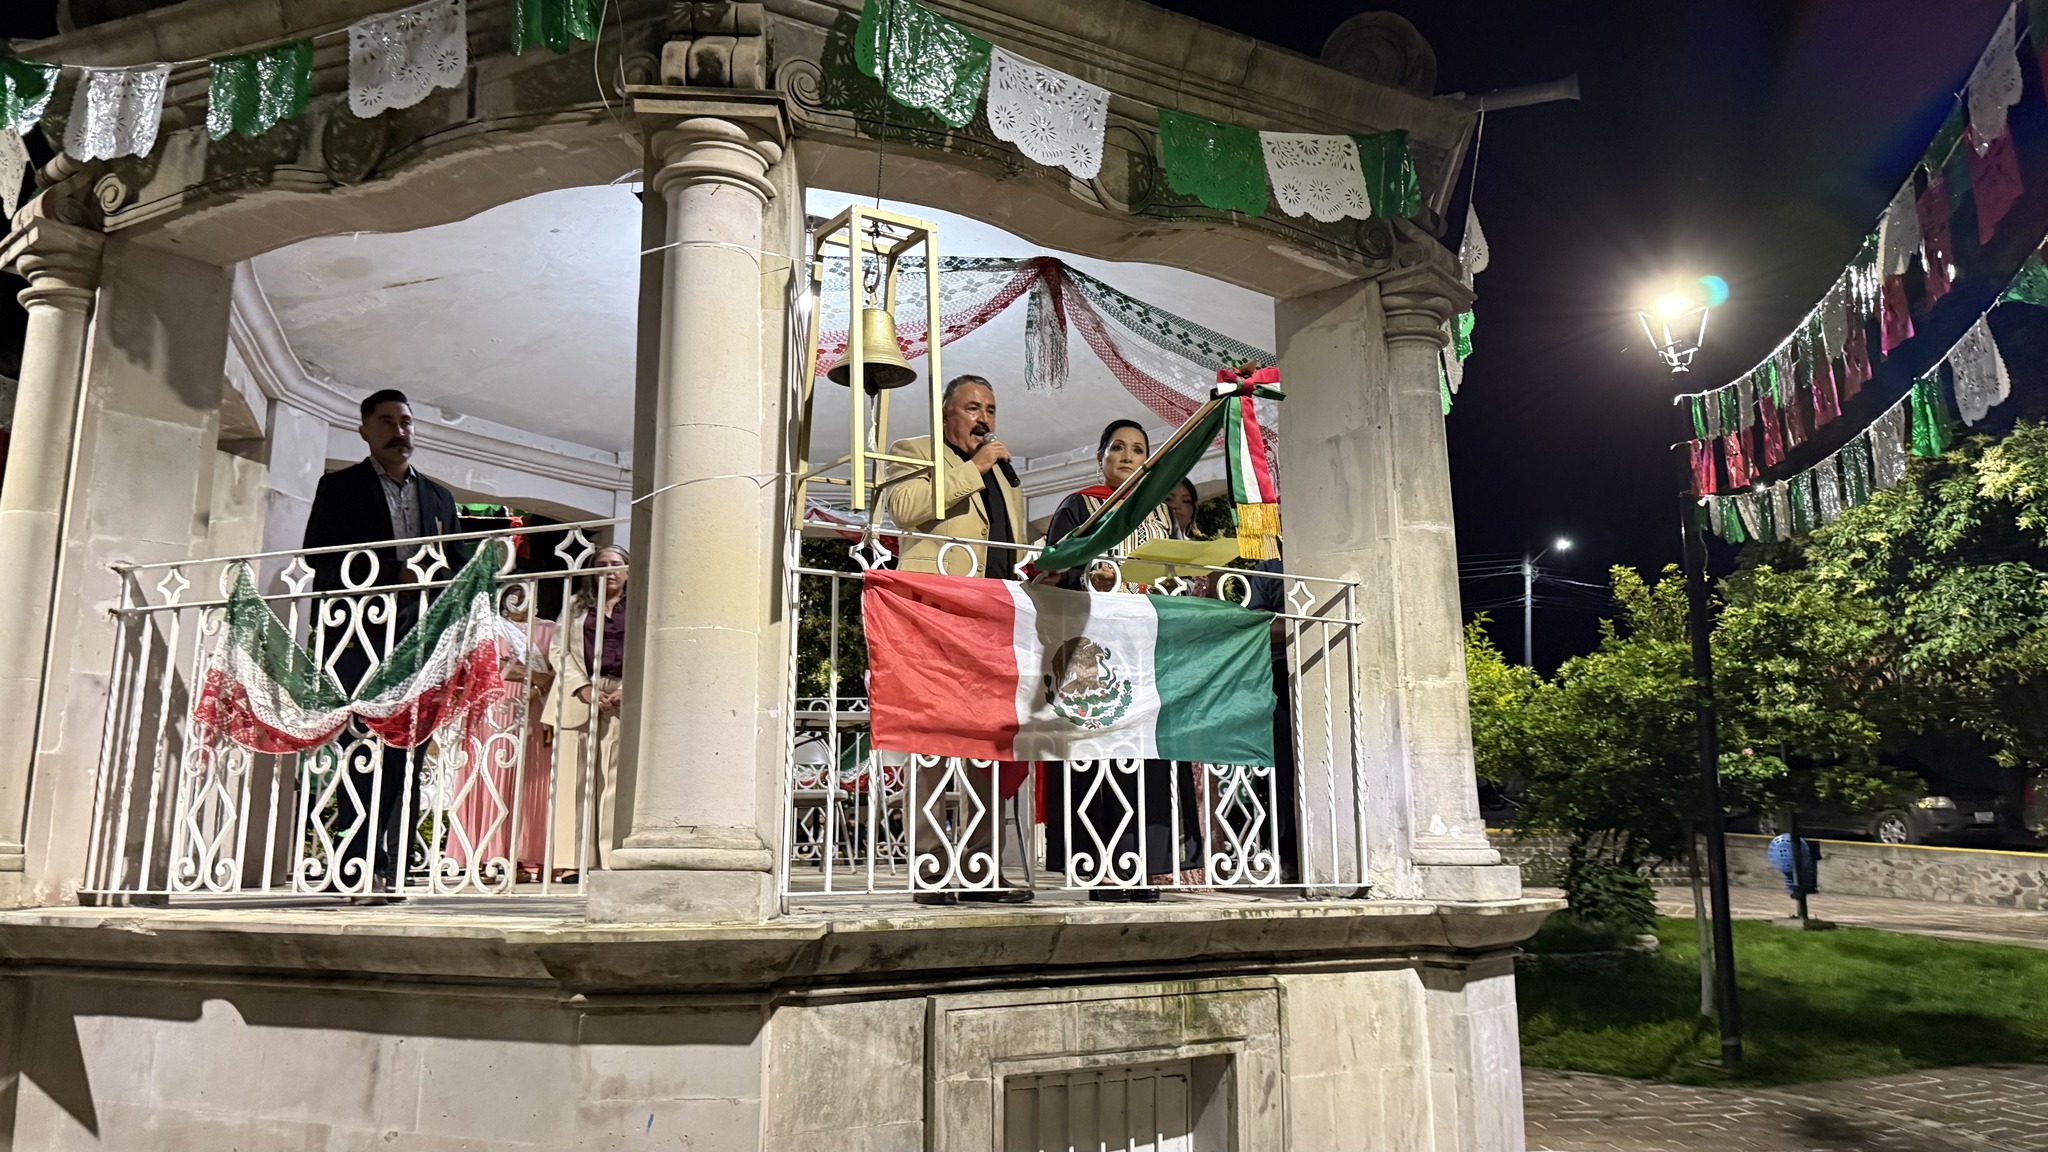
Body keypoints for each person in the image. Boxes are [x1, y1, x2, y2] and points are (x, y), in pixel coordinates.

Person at [302, 388, 465, 905]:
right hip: (358, 639)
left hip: (420, 642)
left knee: (408, 753)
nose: (401, 431)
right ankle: (353, 866)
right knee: (359, 751)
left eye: (408, 422)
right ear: (365, 431)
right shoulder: (339, 487)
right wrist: (389, 572)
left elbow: (456, 565)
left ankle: (389, 867)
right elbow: (319, 559)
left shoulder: (440, 497)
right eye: (388, 421)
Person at [883, 374, 1033, 906]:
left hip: (992, 619)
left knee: (989, 743)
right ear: (946, 412)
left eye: (990, 408)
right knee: (933, 738)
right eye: (972, 407)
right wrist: (974, 469)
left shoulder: (1009, 478)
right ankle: (930, 867)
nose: (983, 417)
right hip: (936, 616)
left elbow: (1006, 547)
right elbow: (903, 512)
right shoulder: (914, 450)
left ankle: (981, 867)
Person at [1041, 419, 1203, 901]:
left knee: (1144, 757)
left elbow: (1178, 573)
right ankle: (1101, 866)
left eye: (1138, 449)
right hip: (1092, 650)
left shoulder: (1160, 516)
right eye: (1118, 448)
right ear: (1101, 457)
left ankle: (1144, 864)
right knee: (1098, 760)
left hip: (1145, 650)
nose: (1128, 457)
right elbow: (1056, 568)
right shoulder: (1080, 506)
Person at [449, 583, 555, 884]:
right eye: (513, 590)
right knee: (490, 778)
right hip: (491, 709)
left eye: (526, 591)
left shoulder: (549, 630)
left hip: (533, 710)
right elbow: (482, 668)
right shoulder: (486, 628)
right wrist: (532, 675)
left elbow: (556, 672)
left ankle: (521, 856)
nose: (519, 598)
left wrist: (530, 679)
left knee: (526, 781)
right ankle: (483, 855)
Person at [542, 545, 629, 882]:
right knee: (574, 782)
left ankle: (609, 860)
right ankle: (574, 861)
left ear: (628, 570)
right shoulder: (575, 607)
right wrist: (585, 688)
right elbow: (558, 651)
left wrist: (627, 688)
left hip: (623, 693)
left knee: (613, 779)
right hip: (580, 693)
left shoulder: (639, 607)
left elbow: (648, 647)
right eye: (602, 564)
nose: (609, 570)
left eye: (616, 564)